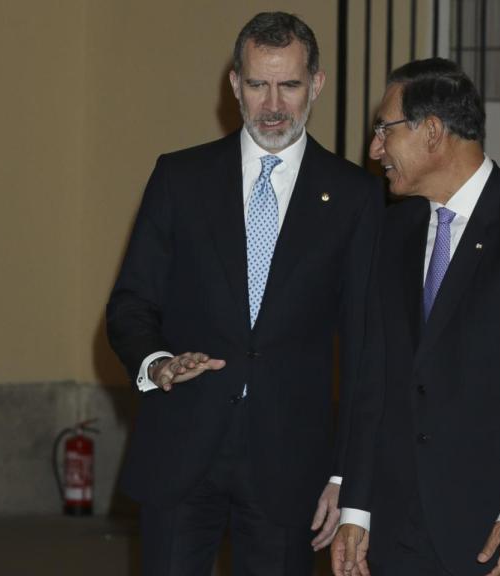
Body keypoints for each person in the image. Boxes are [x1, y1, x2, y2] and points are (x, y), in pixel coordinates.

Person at [106, 12, 382, 575]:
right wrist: (157, 363)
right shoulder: (179, 178)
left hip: (291, 466)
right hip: (182, 449)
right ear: (234, 84)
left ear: (317, 85)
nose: (273, 105)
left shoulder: (355, 197)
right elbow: (131, 302)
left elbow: (364, 350)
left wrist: (344, 475)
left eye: (290, 85)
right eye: (258, 85)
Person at [331, 58, 500, 576]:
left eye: (385, 130)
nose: (374, 149)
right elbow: (372, 380)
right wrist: (355, 509)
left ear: (432, 131)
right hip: (400, 530)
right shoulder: (394, 231)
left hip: (499, 534)